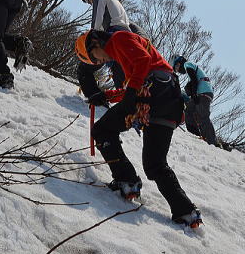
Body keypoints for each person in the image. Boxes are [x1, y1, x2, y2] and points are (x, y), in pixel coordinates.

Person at [75, 29, 202, 228]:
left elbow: (142, 63)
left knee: (102, 130)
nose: (99, 63)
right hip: (167, 100)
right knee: (155, 164)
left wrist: (131, 94)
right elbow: (134, 82)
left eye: (95, 59)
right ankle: (186, 212)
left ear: (95, 44)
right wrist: (108, 96)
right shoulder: (124, 53)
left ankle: (126, 180)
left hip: (151, 94)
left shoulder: (119, 38)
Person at [171, 55, 219, 148]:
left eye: (176, 67)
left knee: (203, 116)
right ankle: (195, 135)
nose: (177, 70)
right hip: (202, 93)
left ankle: (212, 142)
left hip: (203, 93)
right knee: (189, 111)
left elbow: (194, 80)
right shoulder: (192, 70)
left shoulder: (188, 64)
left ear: (179, 63)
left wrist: (194, 95)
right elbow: (192, 82)